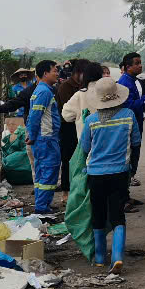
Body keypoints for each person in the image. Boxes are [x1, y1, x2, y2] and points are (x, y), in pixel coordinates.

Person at [78, 75, 135, 272]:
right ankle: (118, 256)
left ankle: (101, 257)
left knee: (98, 214)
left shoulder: (91, 120)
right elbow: (135, 142)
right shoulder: (128, 115)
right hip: (119, 172)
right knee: (118, 214)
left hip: (95, 175)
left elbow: (85, 147)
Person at [117, 53, 145, 191]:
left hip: (135, 124)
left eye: (141, 62)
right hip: (129, 126)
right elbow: (129, 105)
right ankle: (124, 196)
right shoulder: (124, 83)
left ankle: (126, 193)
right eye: (137, 63)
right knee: (130, 156)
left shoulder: (133, 80)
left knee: (134, 155)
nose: (140, 65)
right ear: (128, 67)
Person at [25, 59, 63, 215]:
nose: (57, 73)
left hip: (43, 139)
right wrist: (32, 136)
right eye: (54, 70)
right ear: (45, 73)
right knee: (49, 172)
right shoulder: (44, 92)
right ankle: (42, 208)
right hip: (46, 139)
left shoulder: (41, 90)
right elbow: (35, 116)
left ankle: (43, 204)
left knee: (42, 173)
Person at [54, 59, 87, 192]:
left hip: (80, 125)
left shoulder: (83, 86)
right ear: (78, 73)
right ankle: (66, 188)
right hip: (67, 126)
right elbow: (68, 111)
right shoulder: (65, 87)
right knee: (68, 158)